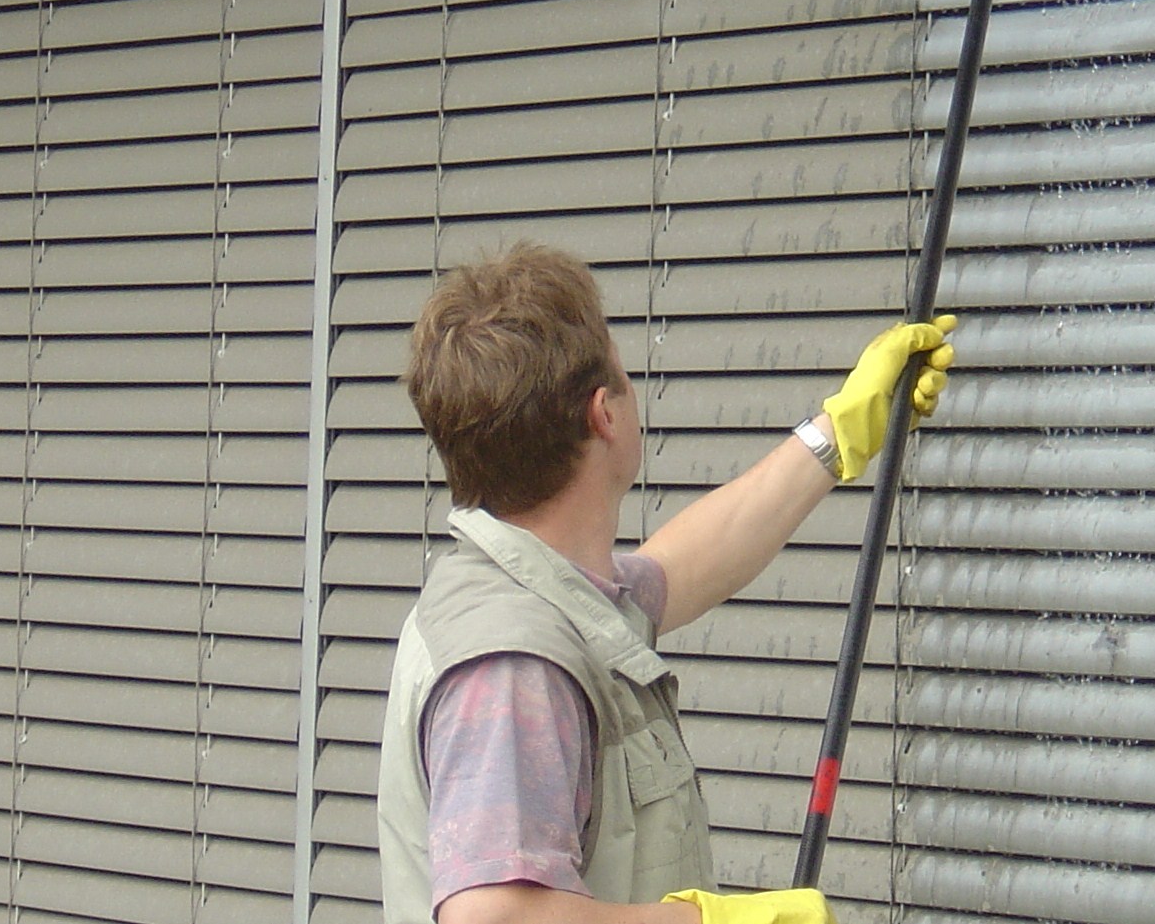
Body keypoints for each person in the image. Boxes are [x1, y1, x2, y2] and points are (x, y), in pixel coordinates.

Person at [377, 241, 957, 924]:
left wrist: (841, 432)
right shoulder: (514, 660)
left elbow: (681, 566)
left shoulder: (554, 596)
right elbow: (494, 917)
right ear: (604, 412)